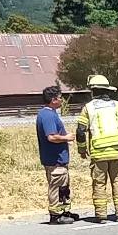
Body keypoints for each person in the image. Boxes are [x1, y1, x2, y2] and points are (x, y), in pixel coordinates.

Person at [75, 74, 118, 221]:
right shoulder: (117, 106)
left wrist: (82, 149)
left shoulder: (88, 108)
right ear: (107, 90)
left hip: (98, 154)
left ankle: (101, 215)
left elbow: (80, 131)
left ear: (93, 91)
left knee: (99, 184)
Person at [36, 86, 78, 225]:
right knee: (56, 186)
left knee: (63, 187)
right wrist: (67, 138)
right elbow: (52, 137)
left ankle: (65, 211)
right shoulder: (47, 115)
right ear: (53, 99)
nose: (62, 100)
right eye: (60, 97)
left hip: (60, 159)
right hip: (54, 160)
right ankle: (55, 215)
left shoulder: (51, 113)